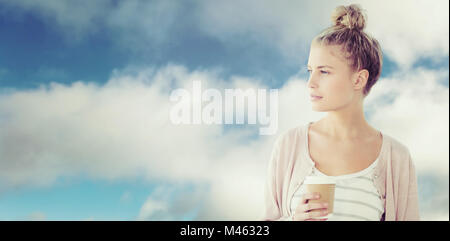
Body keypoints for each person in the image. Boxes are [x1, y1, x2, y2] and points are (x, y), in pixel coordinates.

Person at [261, 4, 420, 221]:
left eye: (324, 71)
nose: (311, 83)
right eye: (310, 71)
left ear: (358, 79)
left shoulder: (396, 158)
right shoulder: (289, 145)